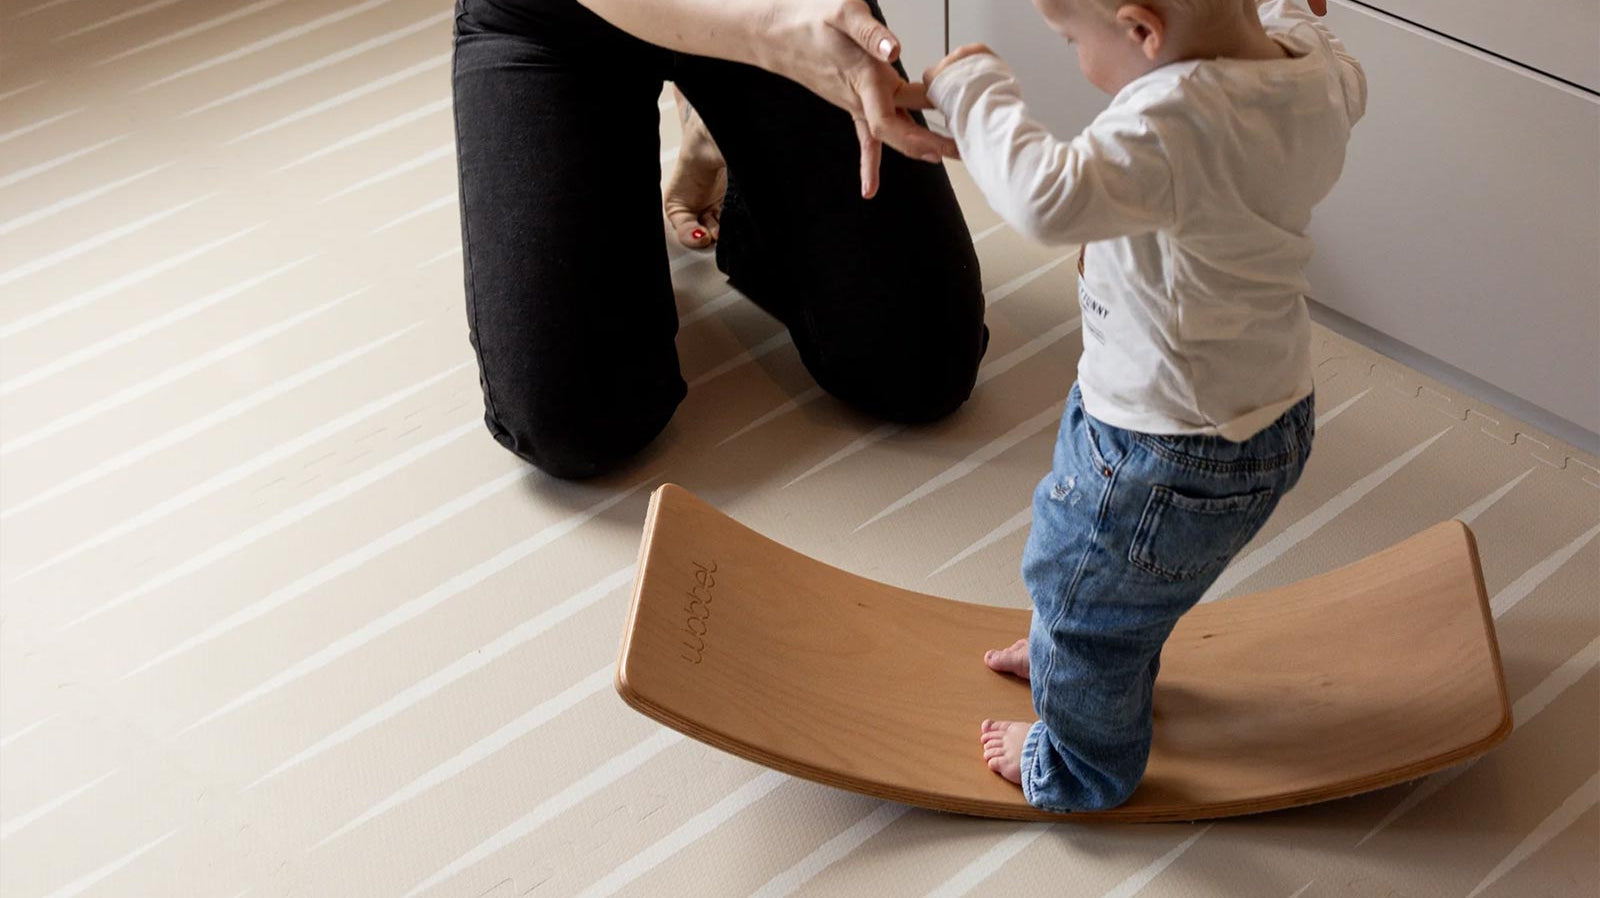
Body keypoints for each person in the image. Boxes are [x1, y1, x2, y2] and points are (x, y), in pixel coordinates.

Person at [902, 0, 1364, 811]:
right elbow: (1310, 27)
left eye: (1074, 40)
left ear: (1145, 31)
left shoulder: (1175, 119)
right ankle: (1085, 658)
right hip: (1264, 414)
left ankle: (1080, 762)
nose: (1077, 59)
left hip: (1163, 442)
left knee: (1075, 587)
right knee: (1115, 583)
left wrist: (971, 86)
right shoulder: (1315, 69)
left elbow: (1046, 198)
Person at [451, 0, 989, 479]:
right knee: (576, 420)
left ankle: (723, 147)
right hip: (559, 18)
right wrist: (770, 32)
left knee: (922, 368)